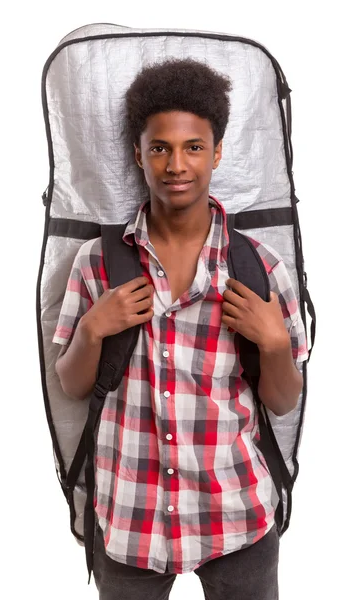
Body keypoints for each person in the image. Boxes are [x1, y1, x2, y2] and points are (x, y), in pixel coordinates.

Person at [52, 57, 309, 600]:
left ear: (217, 153)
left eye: (194, 147)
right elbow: (72, 387)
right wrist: (94, 330)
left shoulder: (258, 268)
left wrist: (275, 341)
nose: (176, 164)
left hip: (236, 513)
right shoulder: (97, 263)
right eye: (160, 147)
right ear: (138, 155)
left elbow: (284, 402)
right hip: (130, 518)